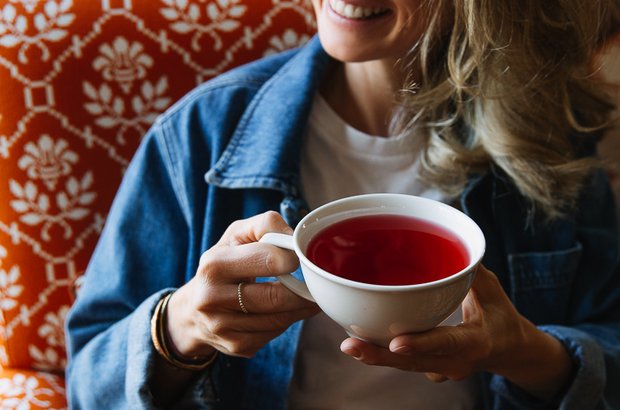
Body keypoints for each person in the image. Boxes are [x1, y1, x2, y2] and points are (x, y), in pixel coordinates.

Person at [65, 0, 620, 408]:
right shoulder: (202, 132)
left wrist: (523, 351)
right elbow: (87, 383)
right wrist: (182, 326)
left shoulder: (548, 142)